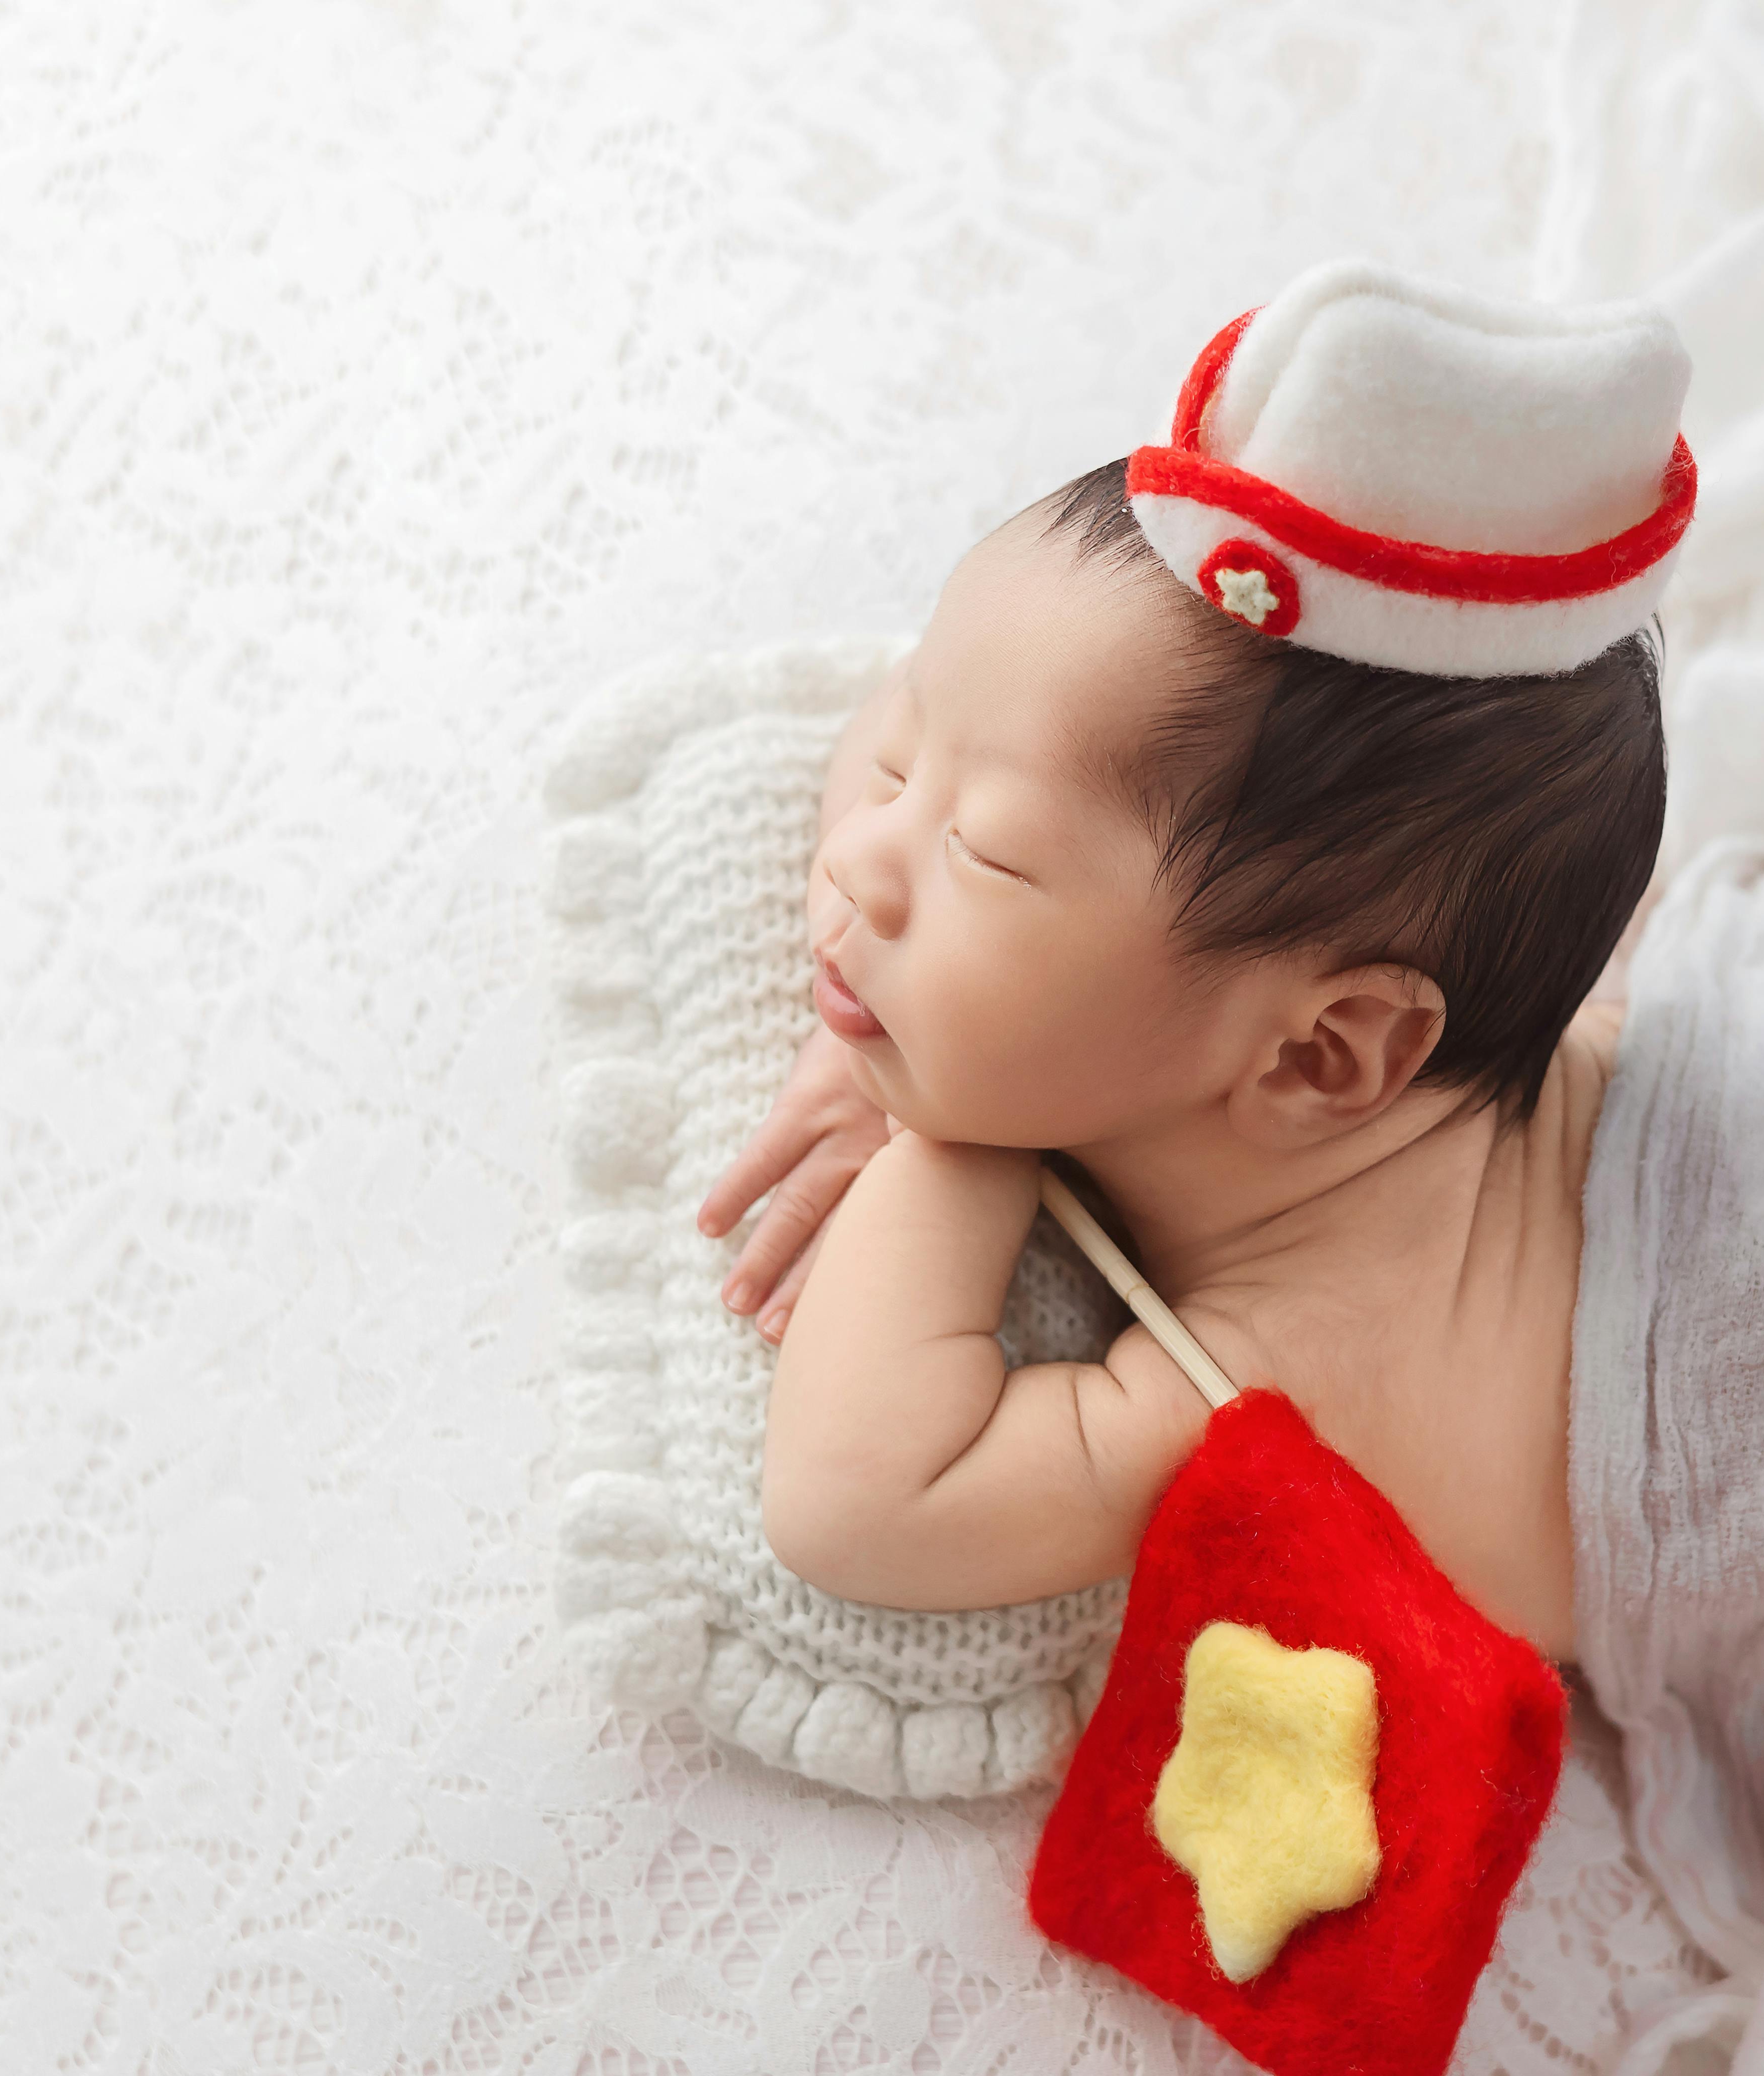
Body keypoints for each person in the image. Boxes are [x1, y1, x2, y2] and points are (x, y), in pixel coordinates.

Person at [690, 258, 1697, 1659]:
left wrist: (950, 1142)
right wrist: (920, 984)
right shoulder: (1281, 1042)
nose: (863, 850)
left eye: (979, 851)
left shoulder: (1314, 1354)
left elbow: (861, 1509)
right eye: (911, 763)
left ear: (1318, 1054)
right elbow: (917, 709)